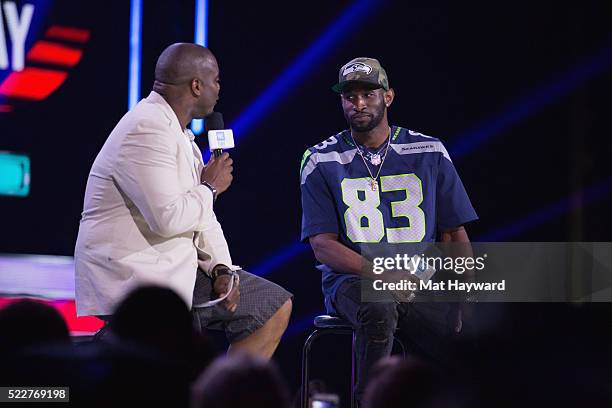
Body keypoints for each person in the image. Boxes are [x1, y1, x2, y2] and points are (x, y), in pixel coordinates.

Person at [75, 43, 292, 359]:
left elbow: (203, 217)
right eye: (216, 80)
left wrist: (221, 269)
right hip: (136, 277)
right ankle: (111, 355)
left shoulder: (179, 136)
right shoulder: (145, 128)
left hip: (177, 270)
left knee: (270, 308)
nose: (219, 89)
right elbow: (168, 218)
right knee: (164, 370)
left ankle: (218, 394)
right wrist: (211, 188)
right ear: (196, 85)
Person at [299, 57, 478, 404]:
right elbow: (323, 247)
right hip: (352, 281)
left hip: (419, 280)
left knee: (478, 332)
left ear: (389, 97)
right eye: (350, 96)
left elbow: (454, 234)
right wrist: (383, 275)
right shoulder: (320, 159)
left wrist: (465, 293)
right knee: (379, 304)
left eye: (368, 93)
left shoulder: (429, 151)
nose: (359, 103)